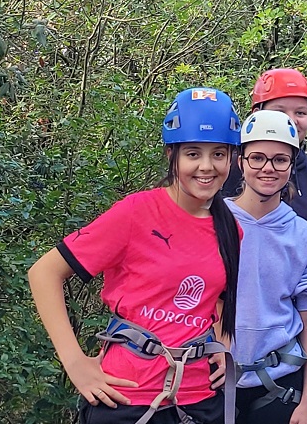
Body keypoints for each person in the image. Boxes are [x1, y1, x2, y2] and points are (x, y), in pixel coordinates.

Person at [28, 88, 242, 424]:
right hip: (126, 397)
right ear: (172, 155)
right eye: (193, 153)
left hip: (199, 399)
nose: (206, 166)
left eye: (218, 154)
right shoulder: (136, 213)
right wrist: (75, 364)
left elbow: (217, 297)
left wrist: (224, 345)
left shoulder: (230, 228)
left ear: (232, 158)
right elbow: (44, 273)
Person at [222, 68, 307, 372]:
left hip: (291, 341)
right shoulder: (233, 177)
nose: (290, 119)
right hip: (228, 345)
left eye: (300, 112)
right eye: (279, 110)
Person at [230, 110, 307, 423]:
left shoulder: (305, 239)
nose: (268, 169)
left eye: (280, 160)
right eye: (257, 158)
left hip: (279, 380)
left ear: (292, 164)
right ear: (240, 161)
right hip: (213, 377)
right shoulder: (213, 224)